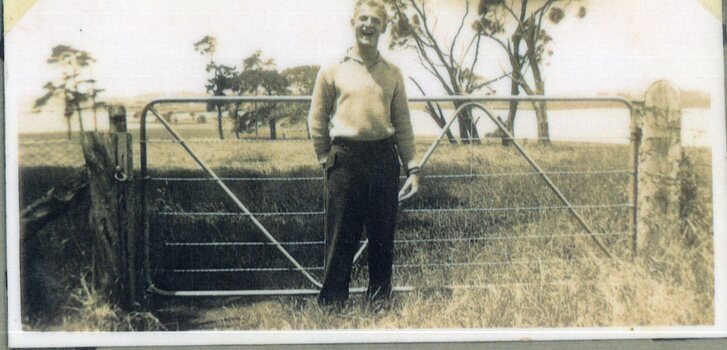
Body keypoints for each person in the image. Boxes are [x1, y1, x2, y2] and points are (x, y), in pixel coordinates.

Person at [307, 0, 420, 308]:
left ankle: (380, 304)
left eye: (376, 21)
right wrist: (324, 159)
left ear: (384, 28)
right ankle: (332, 306)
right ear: (353, 22)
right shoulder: (333, 69)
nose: (368, 25)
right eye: (363, 19)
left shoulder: (392, 73)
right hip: (345, 159)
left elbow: (403, 124)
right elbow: (316, 119)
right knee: (341, 236)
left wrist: (412, 167)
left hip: (384, 159)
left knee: (382, 237)